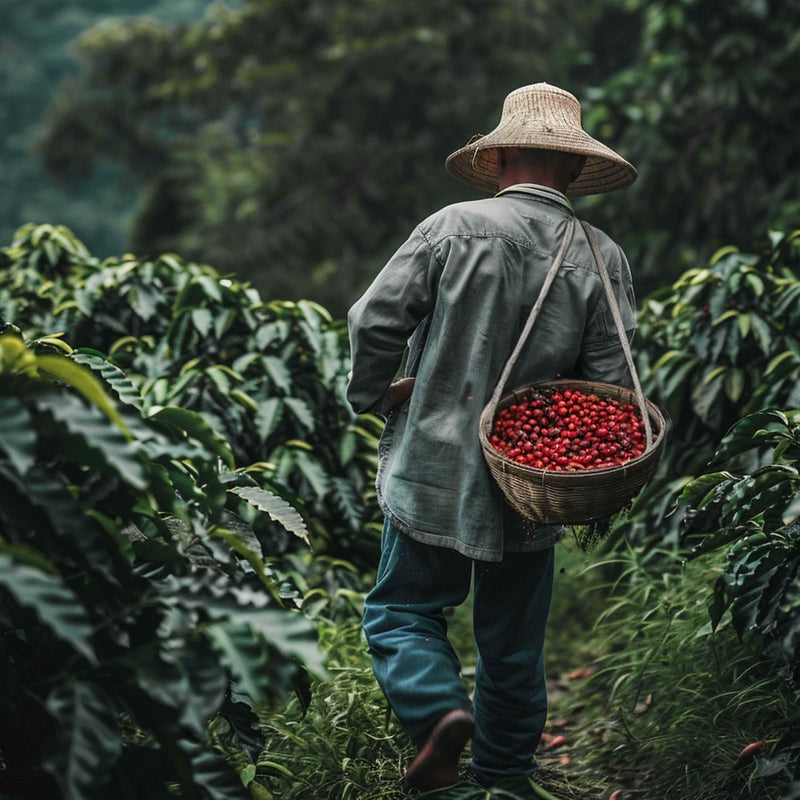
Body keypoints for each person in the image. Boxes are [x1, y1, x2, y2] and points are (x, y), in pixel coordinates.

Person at [346, 82, 638, 794]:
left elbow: (373, 320)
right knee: (512, 642)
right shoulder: (603, 255)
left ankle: (439, 711)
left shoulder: (451, 227)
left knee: (404, 611)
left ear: (498, 154)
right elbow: (610, 388)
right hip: (532, 478)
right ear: (573, 169)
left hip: (435, 466)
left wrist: (373, 394)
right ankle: (505, 779)